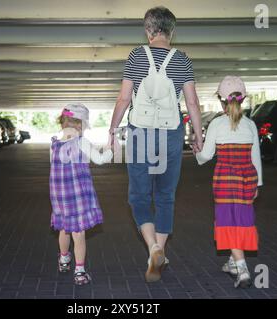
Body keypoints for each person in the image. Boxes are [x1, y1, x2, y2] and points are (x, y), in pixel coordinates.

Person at [108, 6, 203, 283]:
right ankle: (159, 249)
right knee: (165, 196)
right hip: (171, 133)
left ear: (148, 30)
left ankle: (153, 247)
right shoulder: (182, 59)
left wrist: (113, 129)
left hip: (141, 133)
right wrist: (198, 135)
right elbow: (192, 103)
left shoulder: (136, 56)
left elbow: (124, 99)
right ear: (172, 31)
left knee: (138, 196)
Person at [195, 76, 263, 289]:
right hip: (247, 178)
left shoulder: (216, 123)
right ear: (242, 100)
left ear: (221, 100)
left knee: (227, 220)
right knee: (241, 219)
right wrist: (258, 184)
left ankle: (242, 269)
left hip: (225, 177)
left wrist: (197, 152)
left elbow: (206, 155)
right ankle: (233, 262)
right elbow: (256, 157)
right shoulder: (251, 125)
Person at [50, 103, 113, 285]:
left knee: (63, 228)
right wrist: (111, 149)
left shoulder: (54, 143)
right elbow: (100, 160)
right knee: (78, 234)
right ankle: (79, 271)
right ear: (80, 124)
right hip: (77, 194)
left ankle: (63, 259)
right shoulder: (82, 142)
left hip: (59, 195)